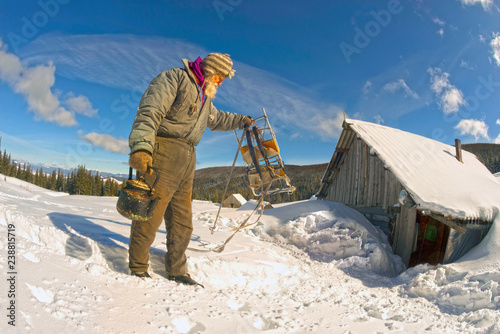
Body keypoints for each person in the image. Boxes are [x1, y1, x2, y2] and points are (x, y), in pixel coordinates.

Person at [127, 52, 253, 287]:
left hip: (188, 158)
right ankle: (138, 267)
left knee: (182, 220)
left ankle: (176, 269)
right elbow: (150, 110)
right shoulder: (175, 78)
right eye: (219, 76)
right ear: (208, 70)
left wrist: (241, 120)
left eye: (224, 78)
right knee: (150, 214)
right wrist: (142, 147)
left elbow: (219, 119)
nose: (221, 81)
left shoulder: (205, 97)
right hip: (164, 150)